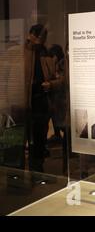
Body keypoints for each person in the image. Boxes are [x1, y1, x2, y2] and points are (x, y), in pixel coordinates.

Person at [25, 24, 63, 173]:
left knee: (40, 138)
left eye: (43, 36)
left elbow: (57, 78)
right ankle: (19, 174)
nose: (40, 39)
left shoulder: (46, 55)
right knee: (25, 138)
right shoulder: (21, 53)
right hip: (25, 104)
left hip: (42, 103)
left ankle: (37, 171)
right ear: (31, 34)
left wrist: (51, 85)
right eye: (39, 35)